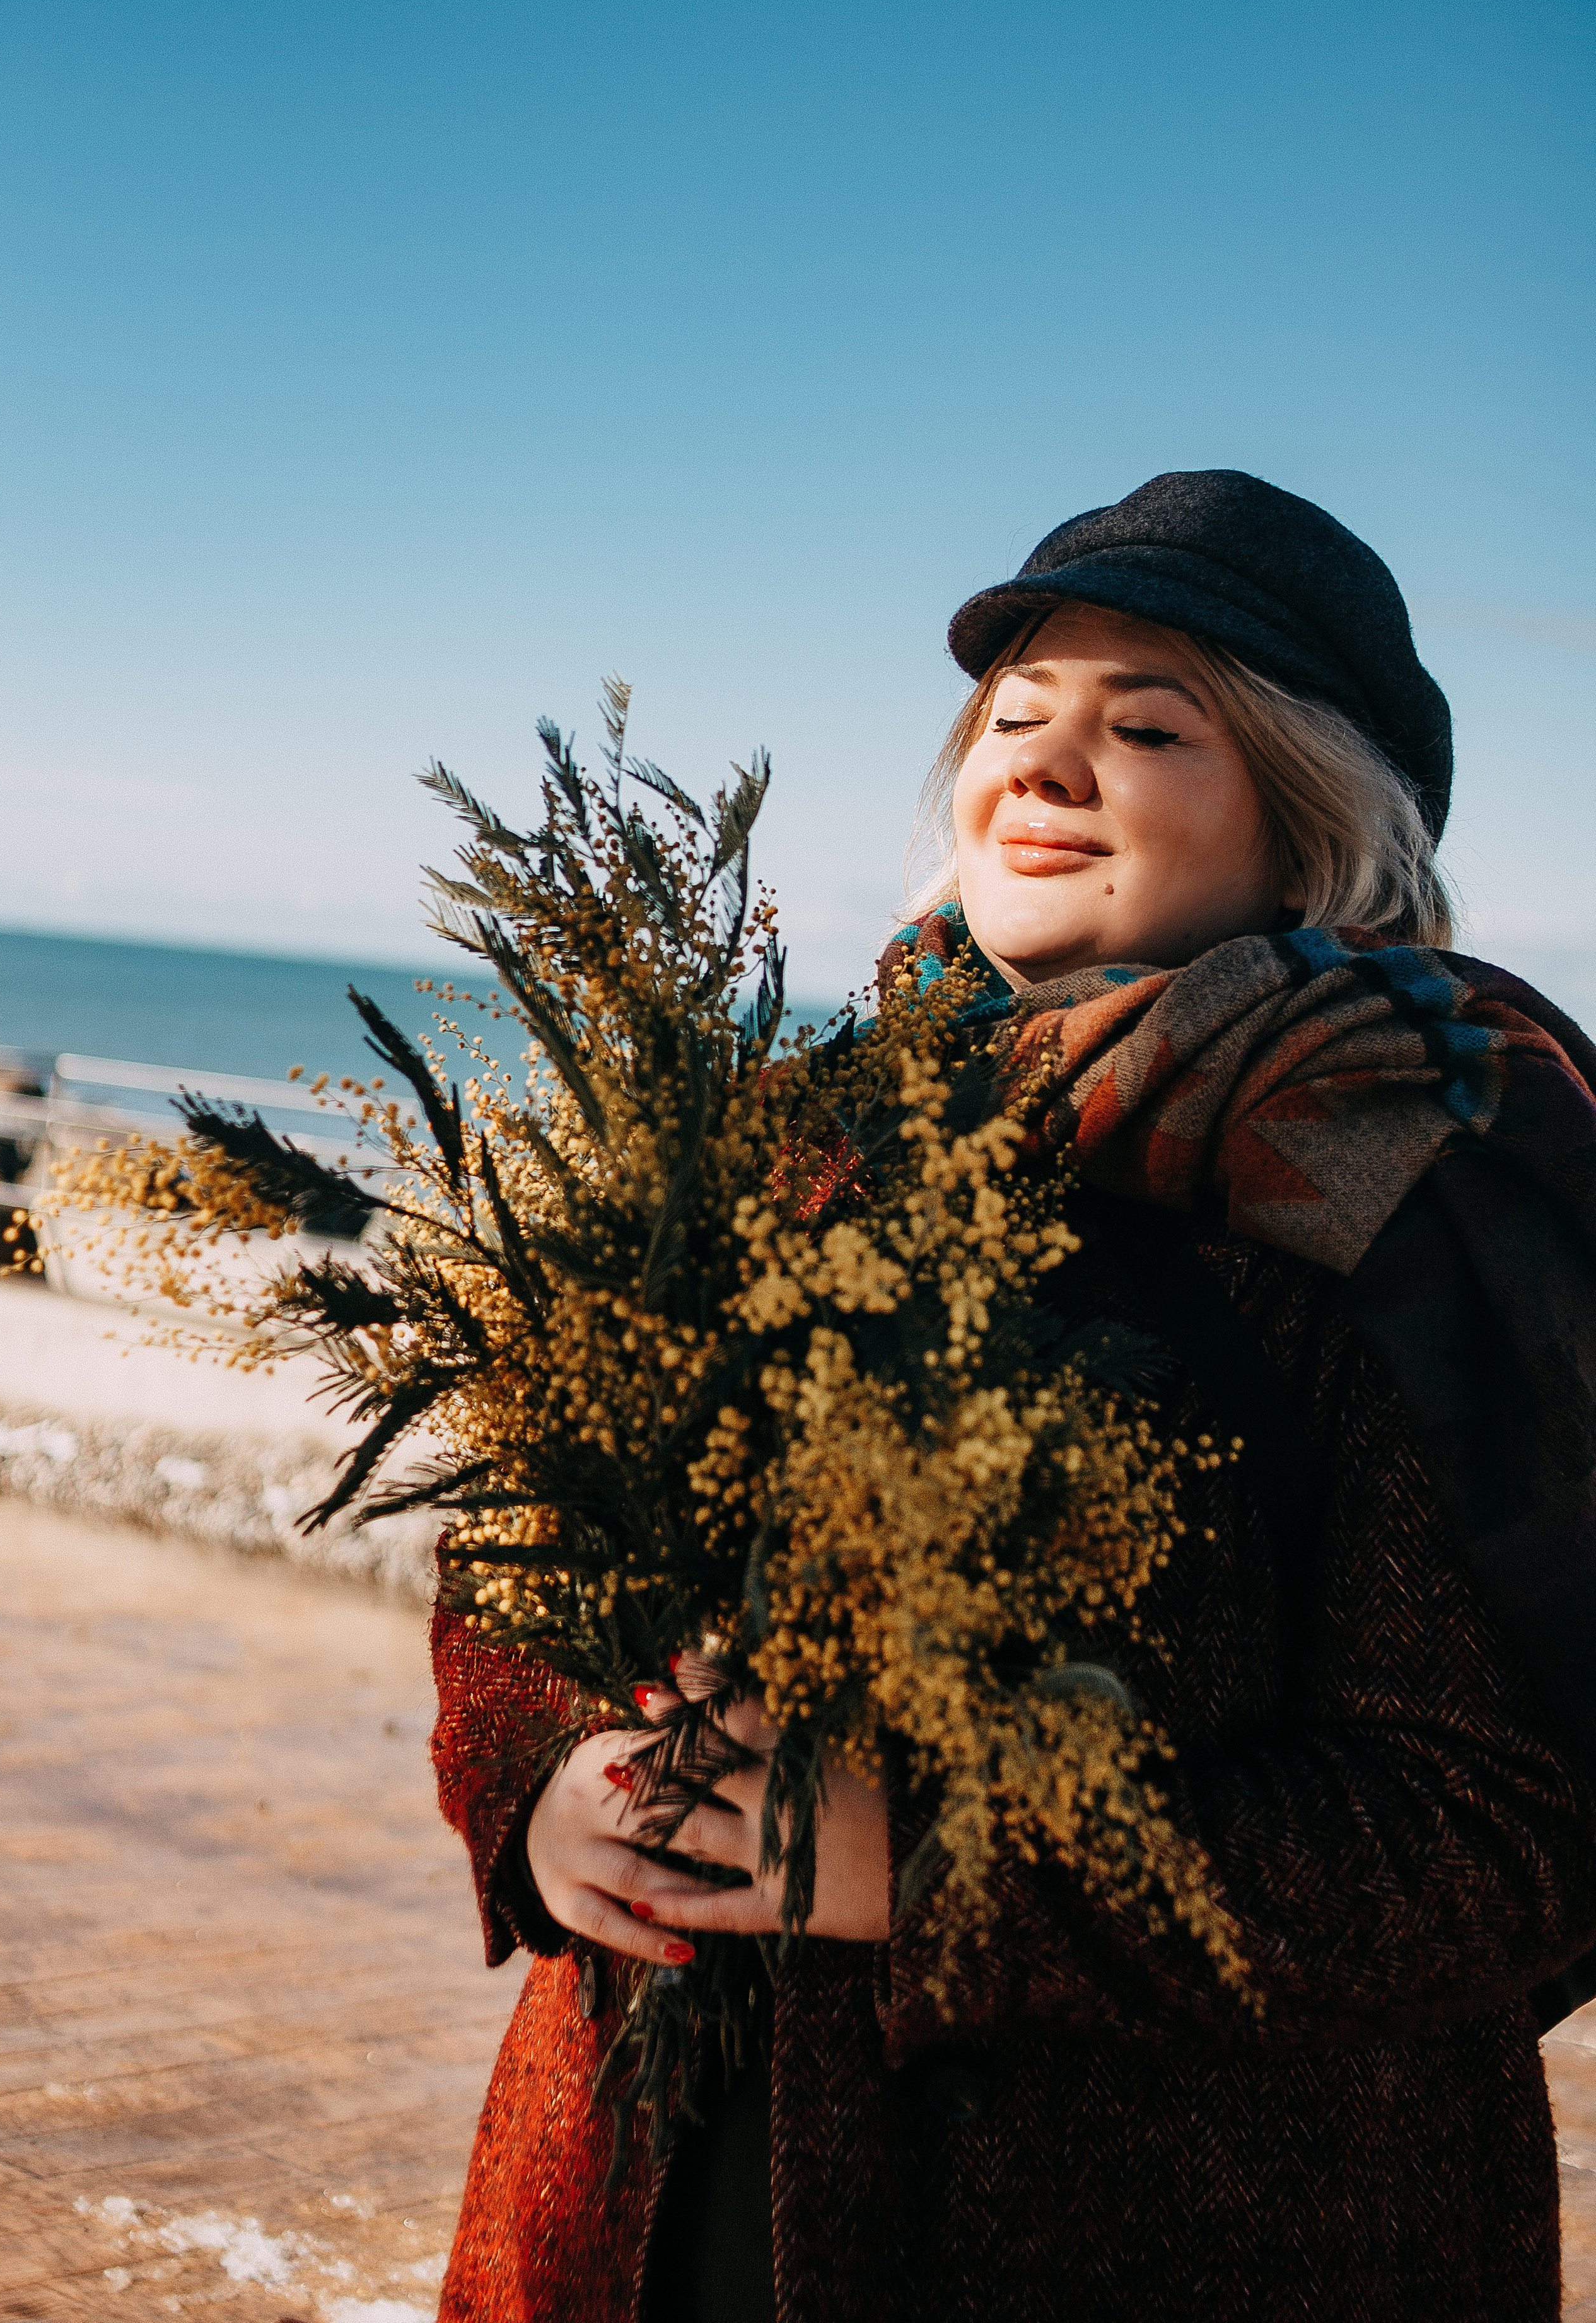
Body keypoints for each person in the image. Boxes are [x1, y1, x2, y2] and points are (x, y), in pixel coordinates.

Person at [431, 470, 1596, 2323]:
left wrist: (947, 1867)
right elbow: (519, 1549)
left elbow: (1499, 1839)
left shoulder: (1426, 1194)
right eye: (1014, 718)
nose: (1044, 770)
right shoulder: (798, 1134)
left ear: (1310, 827)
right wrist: (541, 1781)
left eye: (1147, 727)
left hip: (1197, 2235)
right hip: (645, 2192)